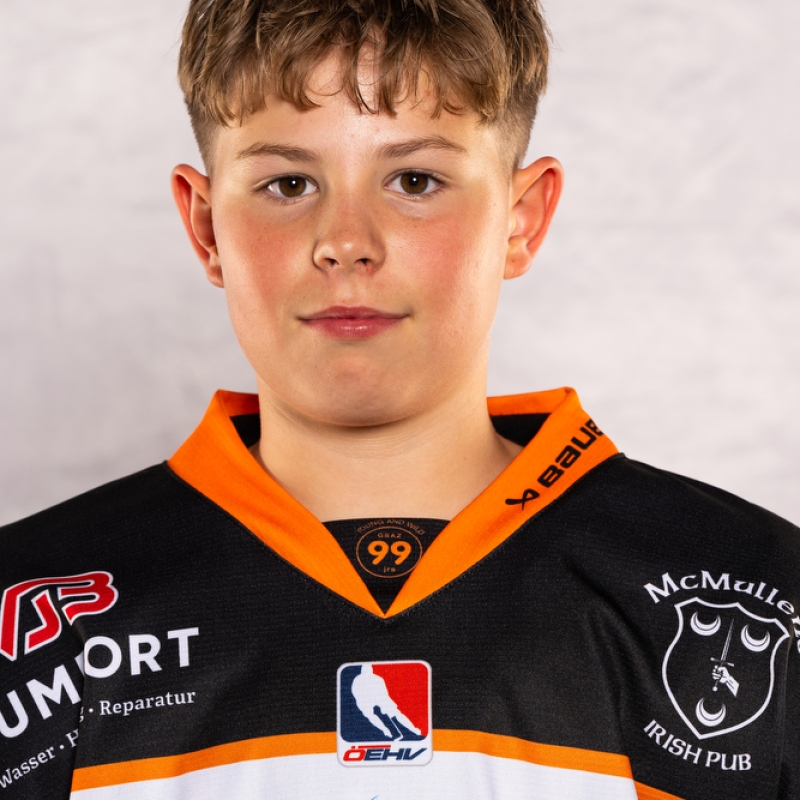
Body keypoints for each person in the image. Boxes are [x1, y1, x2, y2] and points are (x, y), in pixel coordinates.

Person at [1, 0, 798, 798]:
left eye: (415, 181)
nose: (347, 242)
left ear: (521, 220)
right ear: (206, 227)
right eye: (288, 183)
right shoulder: (26, 619)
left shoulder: (763, 592)